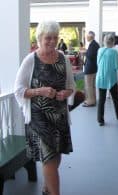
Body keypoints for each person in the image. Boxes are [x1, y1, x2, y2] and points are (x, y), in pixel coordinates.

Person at [14, 21, 75, 195]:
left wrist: (65, 93)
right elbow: (18, 90)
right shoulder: (31, 59)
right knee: (49, 159)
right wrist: (39, 91)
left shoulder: (63, 58)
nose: (52, 41)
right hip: (39, 119)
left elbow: (71, 85)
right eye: (48, 37)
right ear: (39, 38)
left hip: (59, 117)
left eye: (55, 37)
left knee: (56, 158)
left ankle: (47, 189)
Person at [96, 34, 118, 126]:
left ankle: (100, 120)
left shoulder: (100, 50)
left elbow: (98, 63)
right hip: (111, 78)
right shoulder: (113, 52)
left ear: (104, 41)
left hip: (101, 77)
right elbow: (117, 66)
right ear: (113, 42)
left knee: (101, 100)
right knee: (115, 98)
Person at [82, 31, 100, 107]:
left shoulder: (93, 45)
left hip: (90, 68)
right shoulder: (95, 44)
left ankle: (90, 101)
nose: (86, 38)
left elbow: (91, 56)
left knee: (89, 85)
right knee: (92, 86)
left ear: (91, 37)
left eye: (87, 36)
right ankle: (92, 100)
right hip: (93, 68)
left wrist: (84, 53)